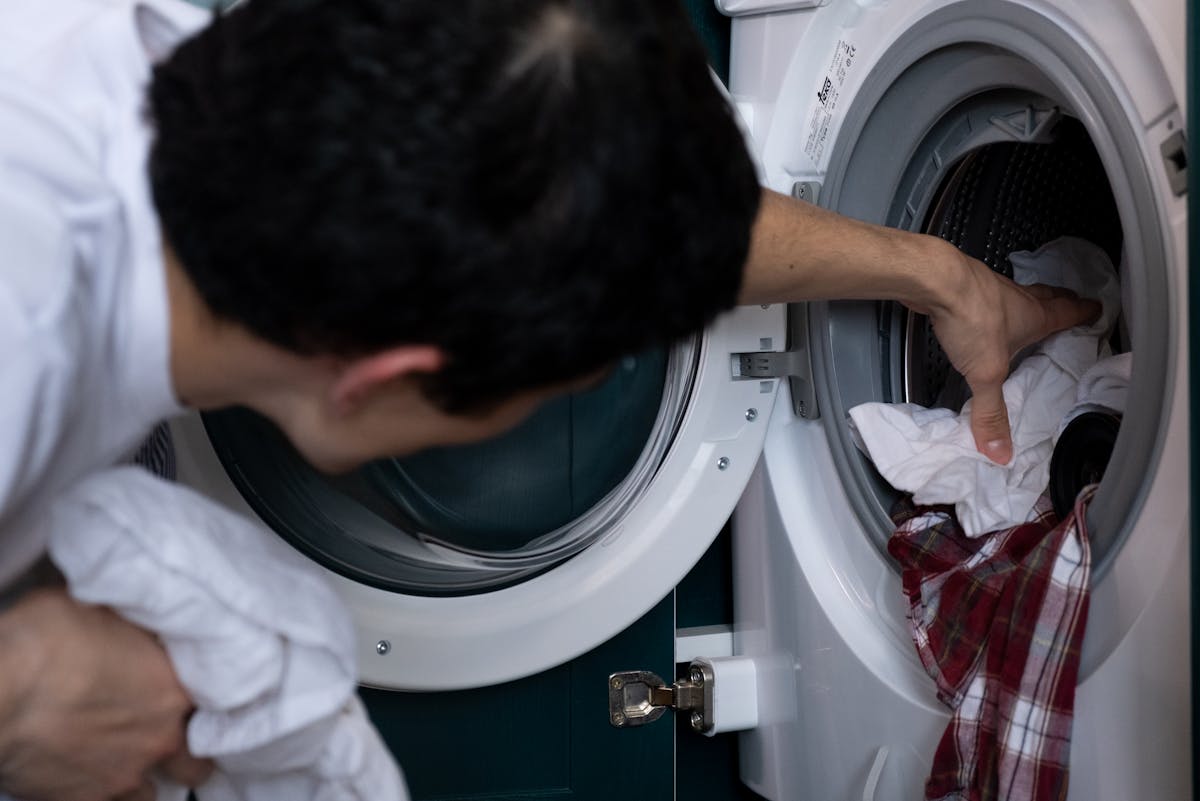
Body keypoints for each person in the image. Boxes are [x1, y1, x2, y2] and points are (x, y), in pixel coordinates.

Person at [0, 0, 1098, 799]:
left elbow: (565, 190)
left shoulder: (168, 52)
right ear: (388, 379)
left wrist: (945, 276)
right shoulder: (23, 347)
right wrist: (29, 688)